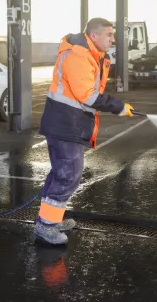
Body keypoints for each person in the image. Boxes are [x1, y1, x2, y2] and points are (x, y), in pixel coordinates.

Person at [35, 17, 134, 245]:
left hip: (69, 123)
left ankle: (50, 219)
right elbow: (87, 95)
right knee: (69, 174)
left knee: (63, 173)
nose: (112, 39)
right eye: (109, 34)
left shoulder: (91, 55)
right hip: (65, 124)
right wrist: (117, 106)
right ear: (95, 35)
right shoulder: (78, 56)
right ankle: (46, 226)